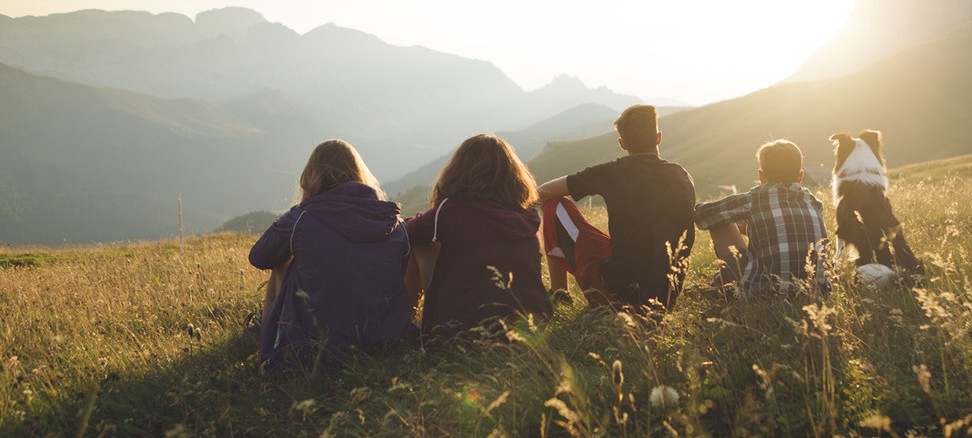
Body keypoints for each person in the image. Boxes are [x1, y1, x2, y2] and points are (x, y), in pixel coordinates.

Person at [249, 139, 412, 369]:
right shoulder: (395, 224)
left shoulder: (302, 219)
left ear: (312, 175)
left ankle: (270, 347)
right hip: (385, 347)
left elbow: (259, 256)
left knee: (281, 262)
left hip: (312, 351)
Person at [538, 104, 695, 313]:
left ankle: (560, 294)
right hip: (666, 297)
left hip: (618, 294)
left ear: (622, 144)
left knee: (554, 206)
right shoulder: (682, 176)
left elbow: (543, 192)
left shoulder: (612, 172)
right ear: (658, 138)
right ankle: (561, 295)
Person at [404, 135, 551, 347]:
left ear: (458, 171)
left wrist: (420, 218)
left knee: (421, 243)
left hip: (464, 330)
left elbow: (406, 233)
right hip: (530, 326)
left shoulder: (450, 210)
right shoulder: (527, 215)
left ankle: (407, 325)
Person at [693, 140, 830, 296]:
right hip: (816, 293)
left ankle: (726, 286)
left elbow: (703, 215)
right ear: (800, 176)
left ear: (761, 176)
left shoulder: (755, 199)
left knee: (718, 220)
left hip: (763, 293)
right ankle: (721, 285)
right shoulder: (813, 202)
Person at [830, 130, 923, 274]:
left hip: (873, 272)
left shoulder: (848, 202)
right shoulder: (880, 200)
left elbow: (841, 246)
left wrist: (835, 273)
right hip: (907, 270)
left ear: (841, 156)